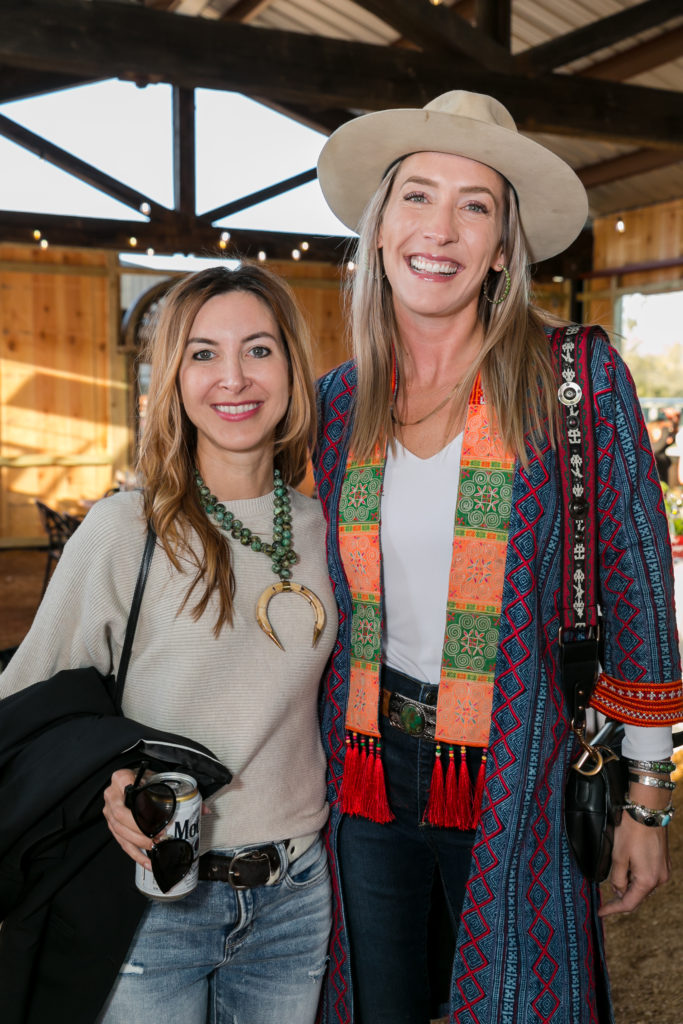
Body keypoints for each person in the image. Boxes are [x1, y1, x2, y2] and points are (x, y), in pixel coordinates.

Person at [313, 91, 683, 1024]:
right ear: (381, 223)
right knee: (373, 1002)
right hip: (362, 767)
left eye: (474, 205)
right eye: (417, 196)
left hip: (521, 761)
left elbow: (636, 584)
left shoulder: (574, 375)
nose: (440, 228)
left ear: (503, 245)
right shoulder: (335, 400)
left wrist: (645, 797)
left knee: (519, 999)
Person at [0, 262, 337, 1023]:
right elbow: (26, 709)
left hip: (295, 897)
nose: (233, 378)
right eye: (202, 353)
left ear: (290, 366)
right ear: (172, 378)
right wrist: (107, 785)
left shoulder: (326, 531)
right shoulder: (127, 529)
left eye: (258, 349)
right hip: (153, 903)